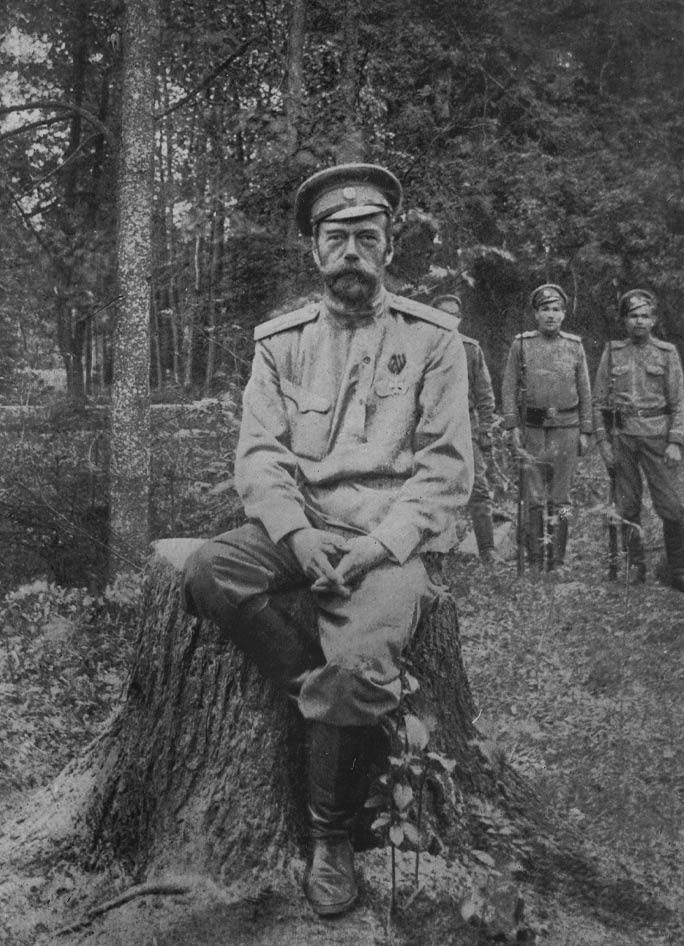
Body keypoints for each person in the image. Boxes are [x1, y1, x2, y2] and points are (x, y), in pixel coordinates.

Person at [181, 164, 473, 916]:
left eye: (366, 237)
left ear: (389, 247)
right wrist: (297, 533)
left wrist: (381, 545)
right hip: (302, 527)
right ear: (314, 249)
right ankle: (326, 695)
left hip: (388, 539)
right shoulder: (281, 343)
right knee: (210, 571)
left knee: (357, 667)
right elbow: (260, 456)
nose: (351, 252)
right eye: (336, 237)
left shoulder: (433, 341)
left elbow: (445, 469)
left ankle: (330, 837)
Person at [592, 289, 684, 592]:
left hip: (657, 438)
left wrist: (675, 442)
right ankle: (635, 566)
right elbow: (599, 403)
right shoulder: (612, 352)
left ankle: (678, 571)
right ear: (624, 321)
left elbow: (677, 403)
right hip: (623, 438)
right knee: (627, 506)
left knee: (671, 506)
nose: (639, 321)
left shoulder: (666, 353)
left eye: (644, 316)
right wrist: (604, 443)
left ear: (653, 320)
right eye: (633, 316)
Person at [501, 283, 592, 569]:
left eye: (556, 309)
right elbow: (508, 387)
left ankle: (558, 554)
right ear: (536, 314)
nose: (551, 315)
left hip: (567, 427)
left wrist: (586, 430)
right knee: (534, 496)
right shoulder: (522, 344)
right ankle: (536, 555)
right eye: (545, 309)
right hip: (533, 427)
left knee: (562, 498)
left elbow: (585, 390)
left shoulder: (574, 346)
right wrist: (512, 426)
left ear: (563, 314)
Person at [432, 293, 498, 564]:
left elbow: (485, 395)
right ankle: (436, 549)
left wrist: (486, 430)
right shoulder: (422, 348)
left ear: (460, 319)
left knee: (478, 488)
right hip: (434, 428)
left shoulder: (471, 350)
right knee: (435, 488)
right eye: (442, 314)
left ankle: (488, 549)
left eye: (454, 315)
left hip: (466, 427)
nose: (449, 320)